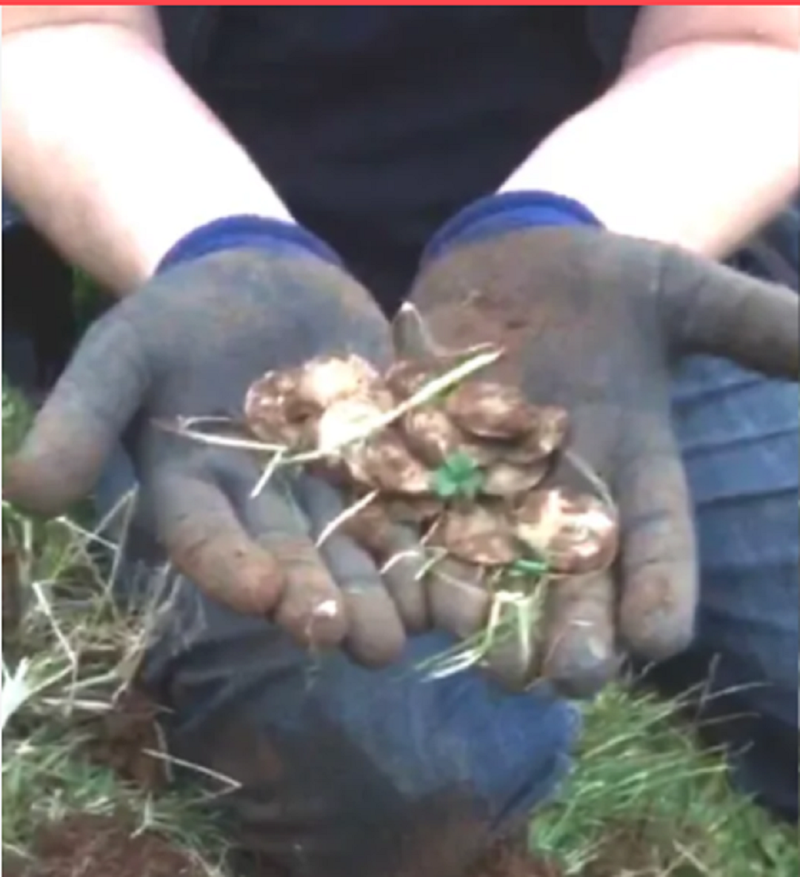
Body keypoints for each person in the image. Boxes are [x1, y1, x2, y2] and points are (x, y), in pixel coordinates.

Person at [3, 7, 798, 876]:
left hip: (614, 266)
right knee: (406, 783)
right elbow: (48, 28)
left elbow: (752, 37)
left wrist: (550, 225)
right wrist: (225, 245)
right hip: (214, 299)